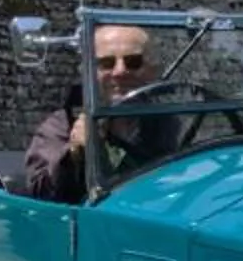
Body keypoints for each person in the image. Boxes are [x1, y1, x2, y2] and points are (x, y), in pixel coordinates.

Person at [20, 22, 177, 201]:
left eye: (133, 62)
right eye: (107, 63)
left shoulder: (167, 123)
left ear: (152, 71)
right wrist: (74, 153)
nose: (120, 71)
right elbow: (41, 195)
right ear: (88, 72)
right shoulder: (62, 125)